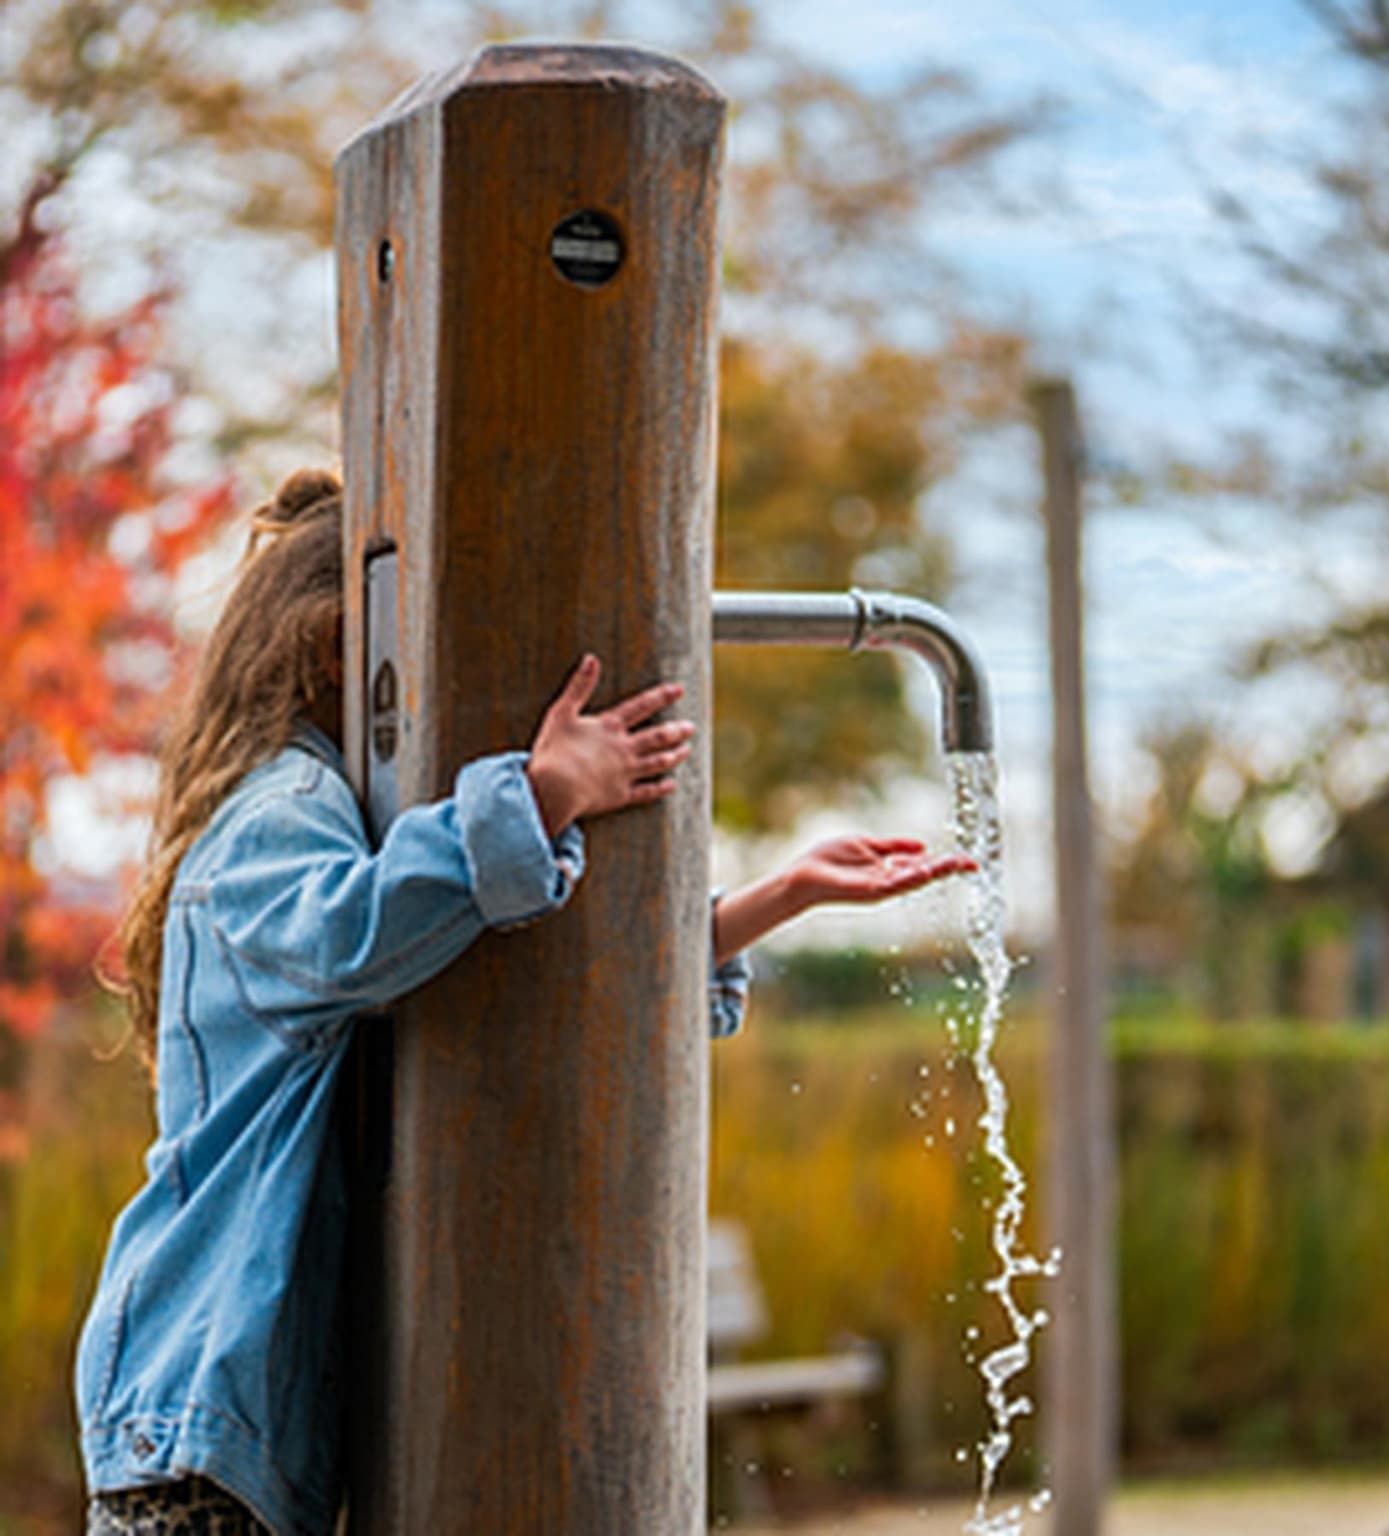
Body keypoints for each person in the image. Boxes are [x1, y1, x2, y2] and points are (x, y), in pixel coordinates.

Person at [76, 468, 974, 1536]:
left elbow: (490, 993)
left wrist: (773, 899)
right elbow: (355, 930)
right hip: (192, 1406)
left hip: (212, 1419)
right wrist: (542, 794)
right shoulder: (280, 809)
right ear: (345, 653)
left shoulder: (314, 811)